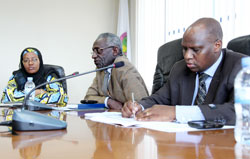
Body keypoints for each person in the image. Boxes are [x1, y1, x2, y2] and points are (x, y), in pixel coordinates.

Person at [122, 17, 246, 125]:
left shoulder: (241, 67)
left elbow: (242, 111)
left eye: (195, 50)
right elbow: (158, 99)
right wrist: (138, 106)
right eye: (184, 49)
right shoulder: (180, 68)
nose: (187, 56)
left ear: (217, 46)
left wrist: (176, 113)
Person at [84, 33, 148, 110]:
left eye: (98, 51)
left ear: (115, 50)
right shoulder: (101, 68)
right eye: (93, 52)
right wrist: (108, 101)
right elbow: (88, 97)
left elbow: (139, 103)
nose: (93, 56)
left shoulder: (124, 67)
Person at [1, 47, 68, 106]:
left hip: (46, 115)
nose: (30, 63)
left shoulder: (48, 76)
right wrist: (38, 92)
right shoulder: (16, 76)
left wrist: (21, 97)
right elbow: (6, 98)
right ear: (22, 63)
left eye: (34, 59)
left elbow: (60, 97)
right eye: (26, 60)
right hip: (22, 115)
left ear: (40, 61)